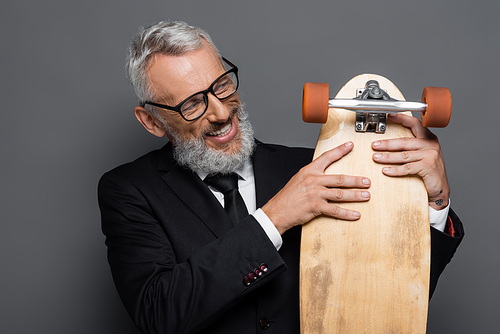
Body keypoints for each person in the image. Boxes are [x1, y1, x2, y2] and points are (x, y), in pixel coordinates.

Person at [98, 21, 463, 334]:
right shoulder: (130, 191)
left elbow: (391, 295)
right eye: (192, 104)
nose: (222, 113)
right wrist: (275, 218)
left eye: (222, 85)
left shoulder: (315, 169)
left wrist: (435, 201)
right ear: (151, 121)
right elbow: (159, 315)